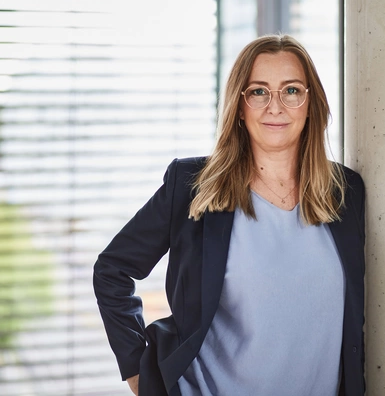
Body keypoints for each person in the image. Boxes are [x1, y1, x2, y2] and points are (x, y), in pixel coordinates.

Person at [93, 34, 366, 396]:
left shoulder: (346, 192)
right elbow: (112, 270)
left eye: (292, 90)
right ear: (239, 106)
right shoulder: (192, 186)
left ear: (310, 103)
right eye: (258, 91)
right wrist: (136, 371)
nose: (275, 106)